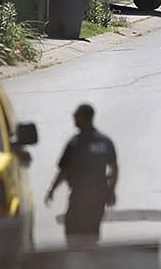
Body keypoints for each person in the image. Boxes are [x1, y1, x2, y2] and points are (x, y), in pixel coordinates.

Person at [45, 104, 118, 247]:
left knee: (73, 231)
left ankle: (78, 261)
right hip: (99, 196)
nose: (74, 118)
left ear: (84, 118)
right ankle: (91, 259)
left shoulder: (75, 143)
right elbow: (114, 168)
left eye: (76, 116)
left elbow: (64, 171)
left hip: (80, 196)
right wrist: (110, 190)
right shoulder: (104, 142)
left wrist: (52, 190)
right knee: (92, 231)